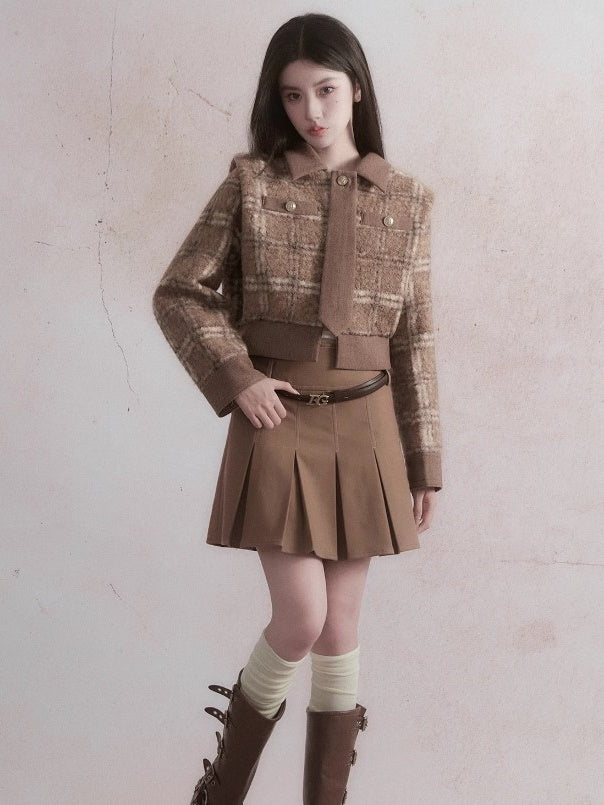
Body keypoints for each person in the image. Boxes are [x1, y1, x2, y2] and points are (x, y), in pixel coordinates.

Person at [152, 12, 443, 804]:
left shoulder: (409, 200)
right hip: (276, 419)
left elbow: (415, 338)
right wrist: (239, 376)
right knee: (302, 616)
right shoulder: (252, 183)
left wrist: (424, 460)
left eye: (326, 90)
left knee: (341, 628)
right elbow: (179, 291)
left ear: (357, 90)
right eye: (291, 96)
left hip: (369, 423)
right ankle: (221, 790)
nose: (311, 111)